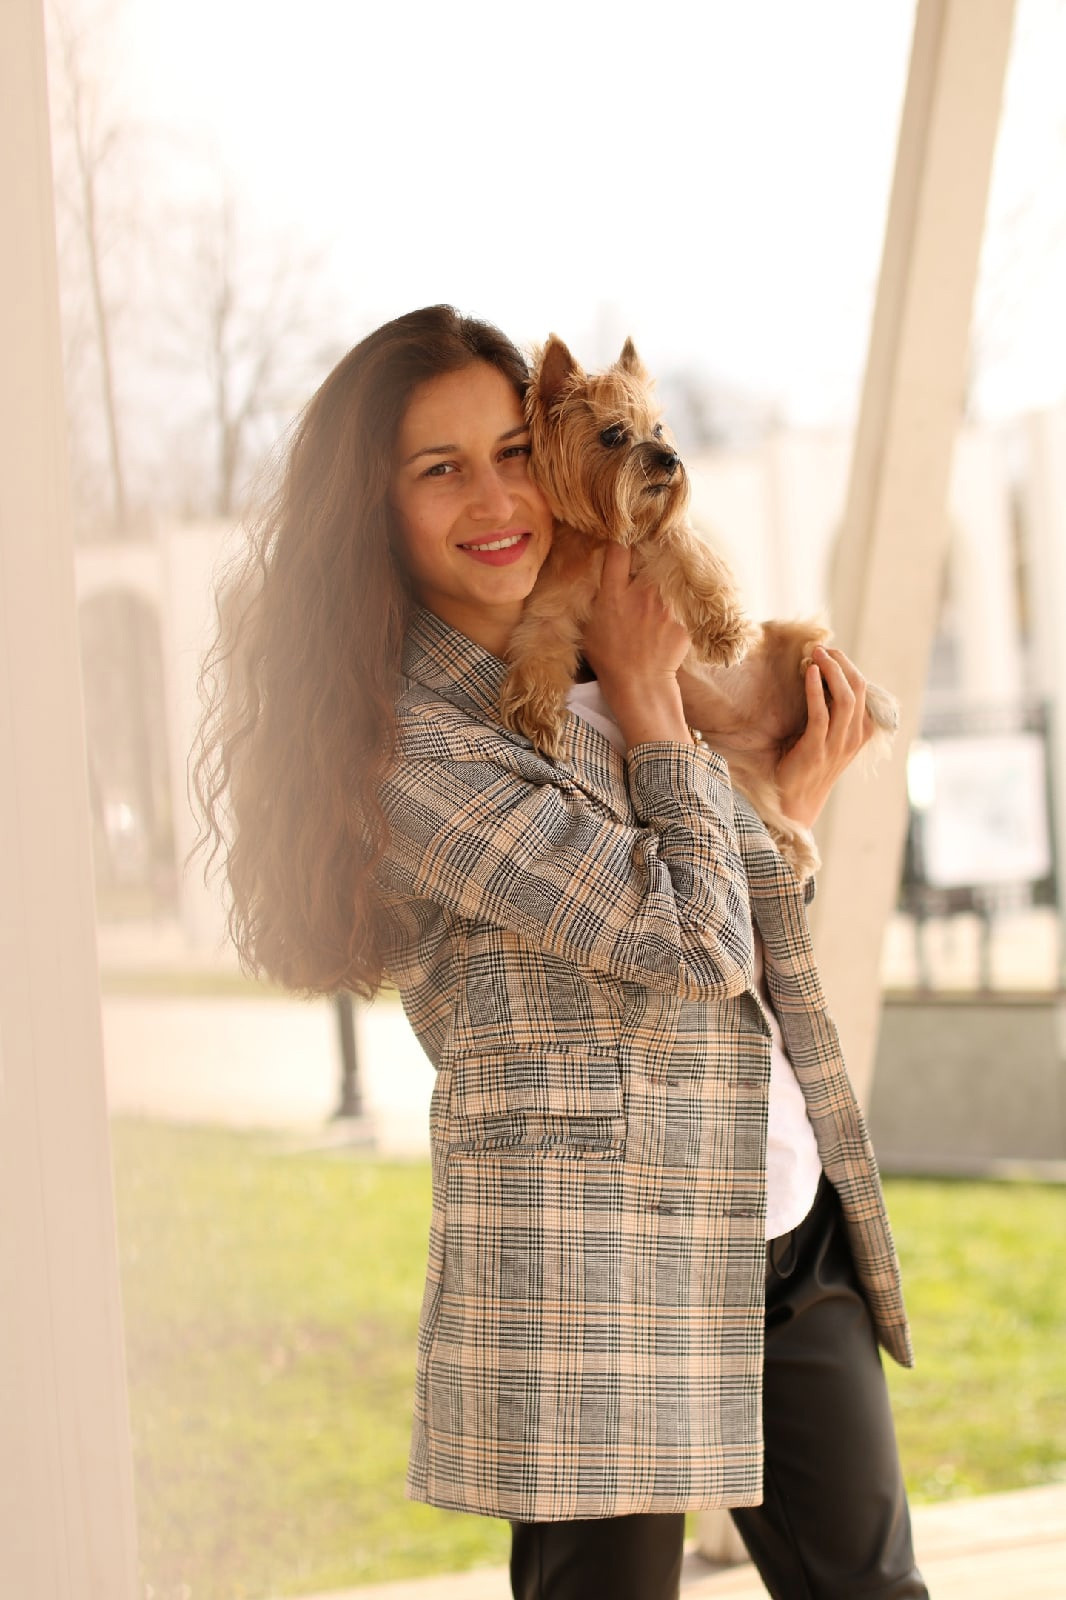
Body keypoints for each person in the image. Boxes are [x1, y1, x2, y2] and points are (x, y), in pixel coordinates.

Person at [195, 304, 928, 1600]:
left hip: (776, 1217)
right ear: (374, 509)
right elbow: (684, 932)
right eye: (439, 469)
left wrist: (787, 819)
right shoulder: (409, 753)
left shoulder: (604, 638)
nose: (497, 497)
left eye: (512, 450)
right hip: (593, 1269)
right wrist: (654, 708)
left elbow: (727, 948)